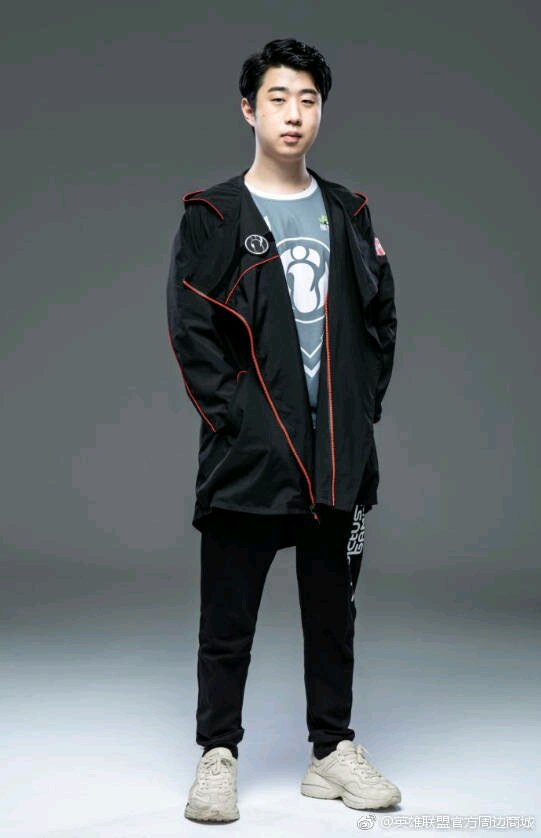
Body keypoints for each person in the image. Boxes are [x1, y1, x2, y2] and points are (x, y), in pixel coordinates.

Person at [166, 37, 400, 824]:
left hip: (337, 456)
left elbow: (380, 319)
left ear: (320, 111)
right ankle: (217, 755)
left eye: (307, 99)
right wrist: (237, 422)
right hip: (250, 457)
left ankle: (331, 752)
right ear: (248, 109)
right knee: (226, 619)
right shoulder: (213, 215)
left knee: (334, 614)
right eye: (277, 98)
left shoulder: (349, 212)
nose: (293, 114)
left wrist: (359, 416)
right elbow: (191, 330)